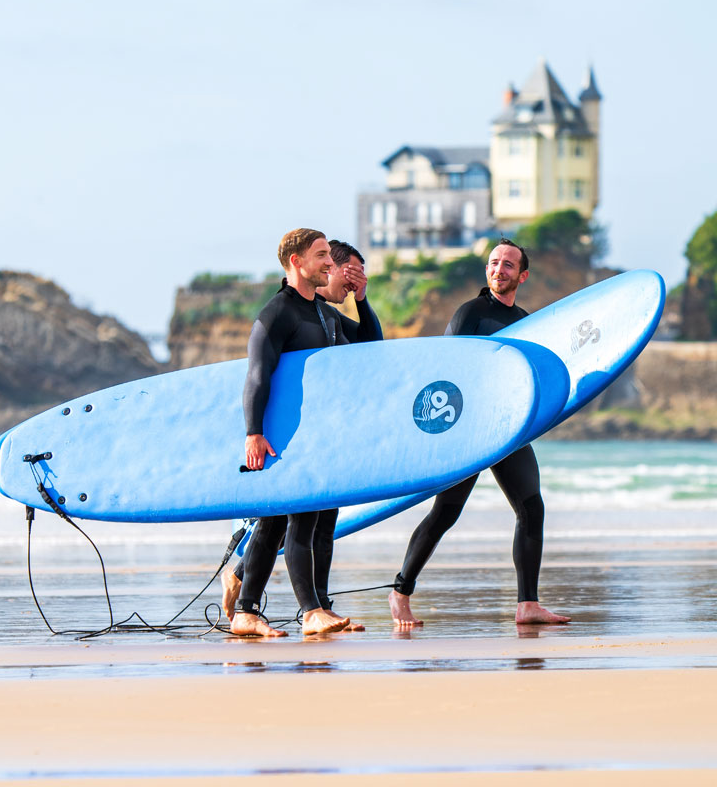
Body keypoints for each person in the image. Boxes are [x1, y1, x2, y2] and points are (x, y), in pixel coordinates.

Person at [389, 238, 571, 628]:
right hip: (469, 430)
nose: (498, 270)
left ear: (522, 275)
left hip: (507, 428)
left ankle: (527, 605)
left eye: (508, 265)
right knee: (446, 512)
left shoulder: (524, 321)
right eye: (493, 263)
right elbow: (446, 370)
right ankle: (400, 592)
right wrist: (443, 433)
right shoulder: (470, 313)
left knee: (531, 508)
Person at [229, 232, 382, 637]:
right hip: (287, 435)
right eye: (321, 257)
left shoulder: (324, 313)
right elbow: (257, 376)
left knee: (293, 521)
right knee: (301, 516)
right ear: (296, 262)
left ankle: (254, 611)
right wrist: (253, 433)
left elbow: (372, 347)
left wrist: (362, 301)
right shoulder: (278, 313)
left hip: (320, 435)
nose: (329, 263)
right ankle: (311, 611)